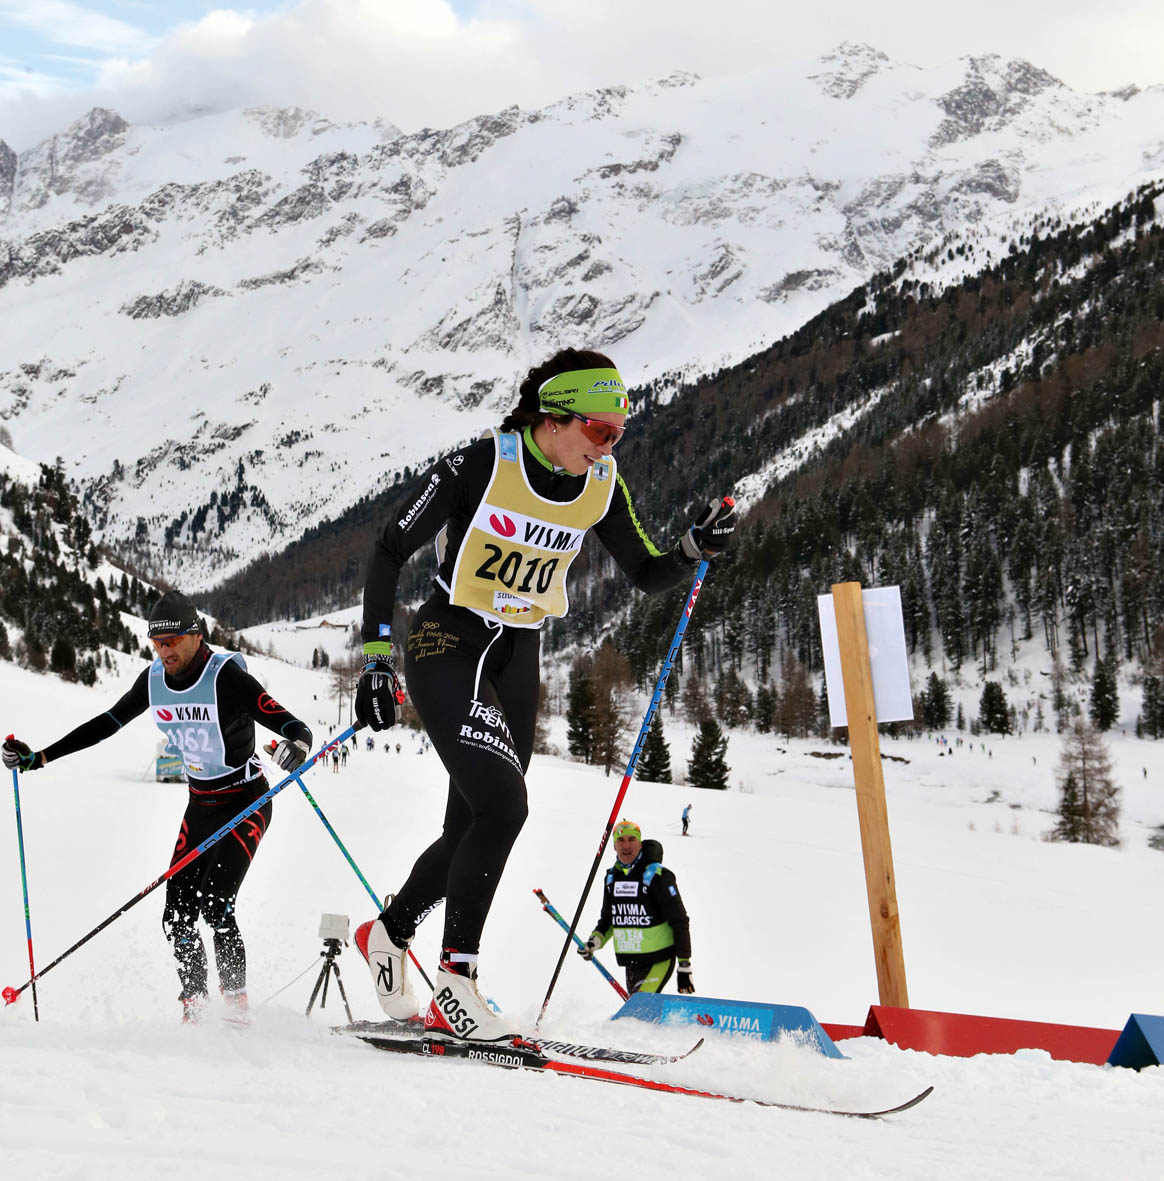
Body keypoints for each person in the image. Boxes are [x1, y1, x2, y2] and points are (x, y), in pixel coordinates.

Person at [351, 348, 733, 1042]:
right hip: (449, 641)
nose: (610, 444)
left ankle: (387, 932)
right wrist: (377, 656)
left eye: (618, 433)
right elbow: (387, 548)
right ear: (552, 417)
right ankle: (456, 981)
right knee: (505, 804)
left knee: (471, 825)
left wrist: (691, 548)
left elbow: (646, 572)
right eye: (598, 430)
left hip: (518, 655)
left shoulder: (601, 485)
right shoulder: (482, 464)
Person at [1, 590, 313, 1023]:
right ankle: (196, 1005)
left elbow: (290, 723)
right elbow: (106, 724)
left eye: (172, 642)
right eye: (157, 643)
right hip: (201, 806)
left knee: (216, 904)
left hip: (247, 800)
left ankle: (236, 1008)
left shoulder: (225, 676)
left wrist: (298, 744)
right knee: (176, 915)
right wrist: (40, 758)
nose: (164, 651)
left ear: (195, 636)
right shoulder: (153, 682)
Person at [578, 819, 694, 996]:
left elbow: (679, 920)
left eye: (632, 839)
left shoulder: (658, 876)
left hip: (659, 959)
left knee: (638, 1010)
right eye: (621, 840)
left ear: (640, 844)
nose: (626, 845)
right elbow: (609, 920)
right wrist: (594, 942)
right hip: (631, 962)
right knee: (640, 1014)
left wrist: (684, 964)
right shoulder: (611, 878)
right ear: (614, 846)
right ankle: (662, 1024)